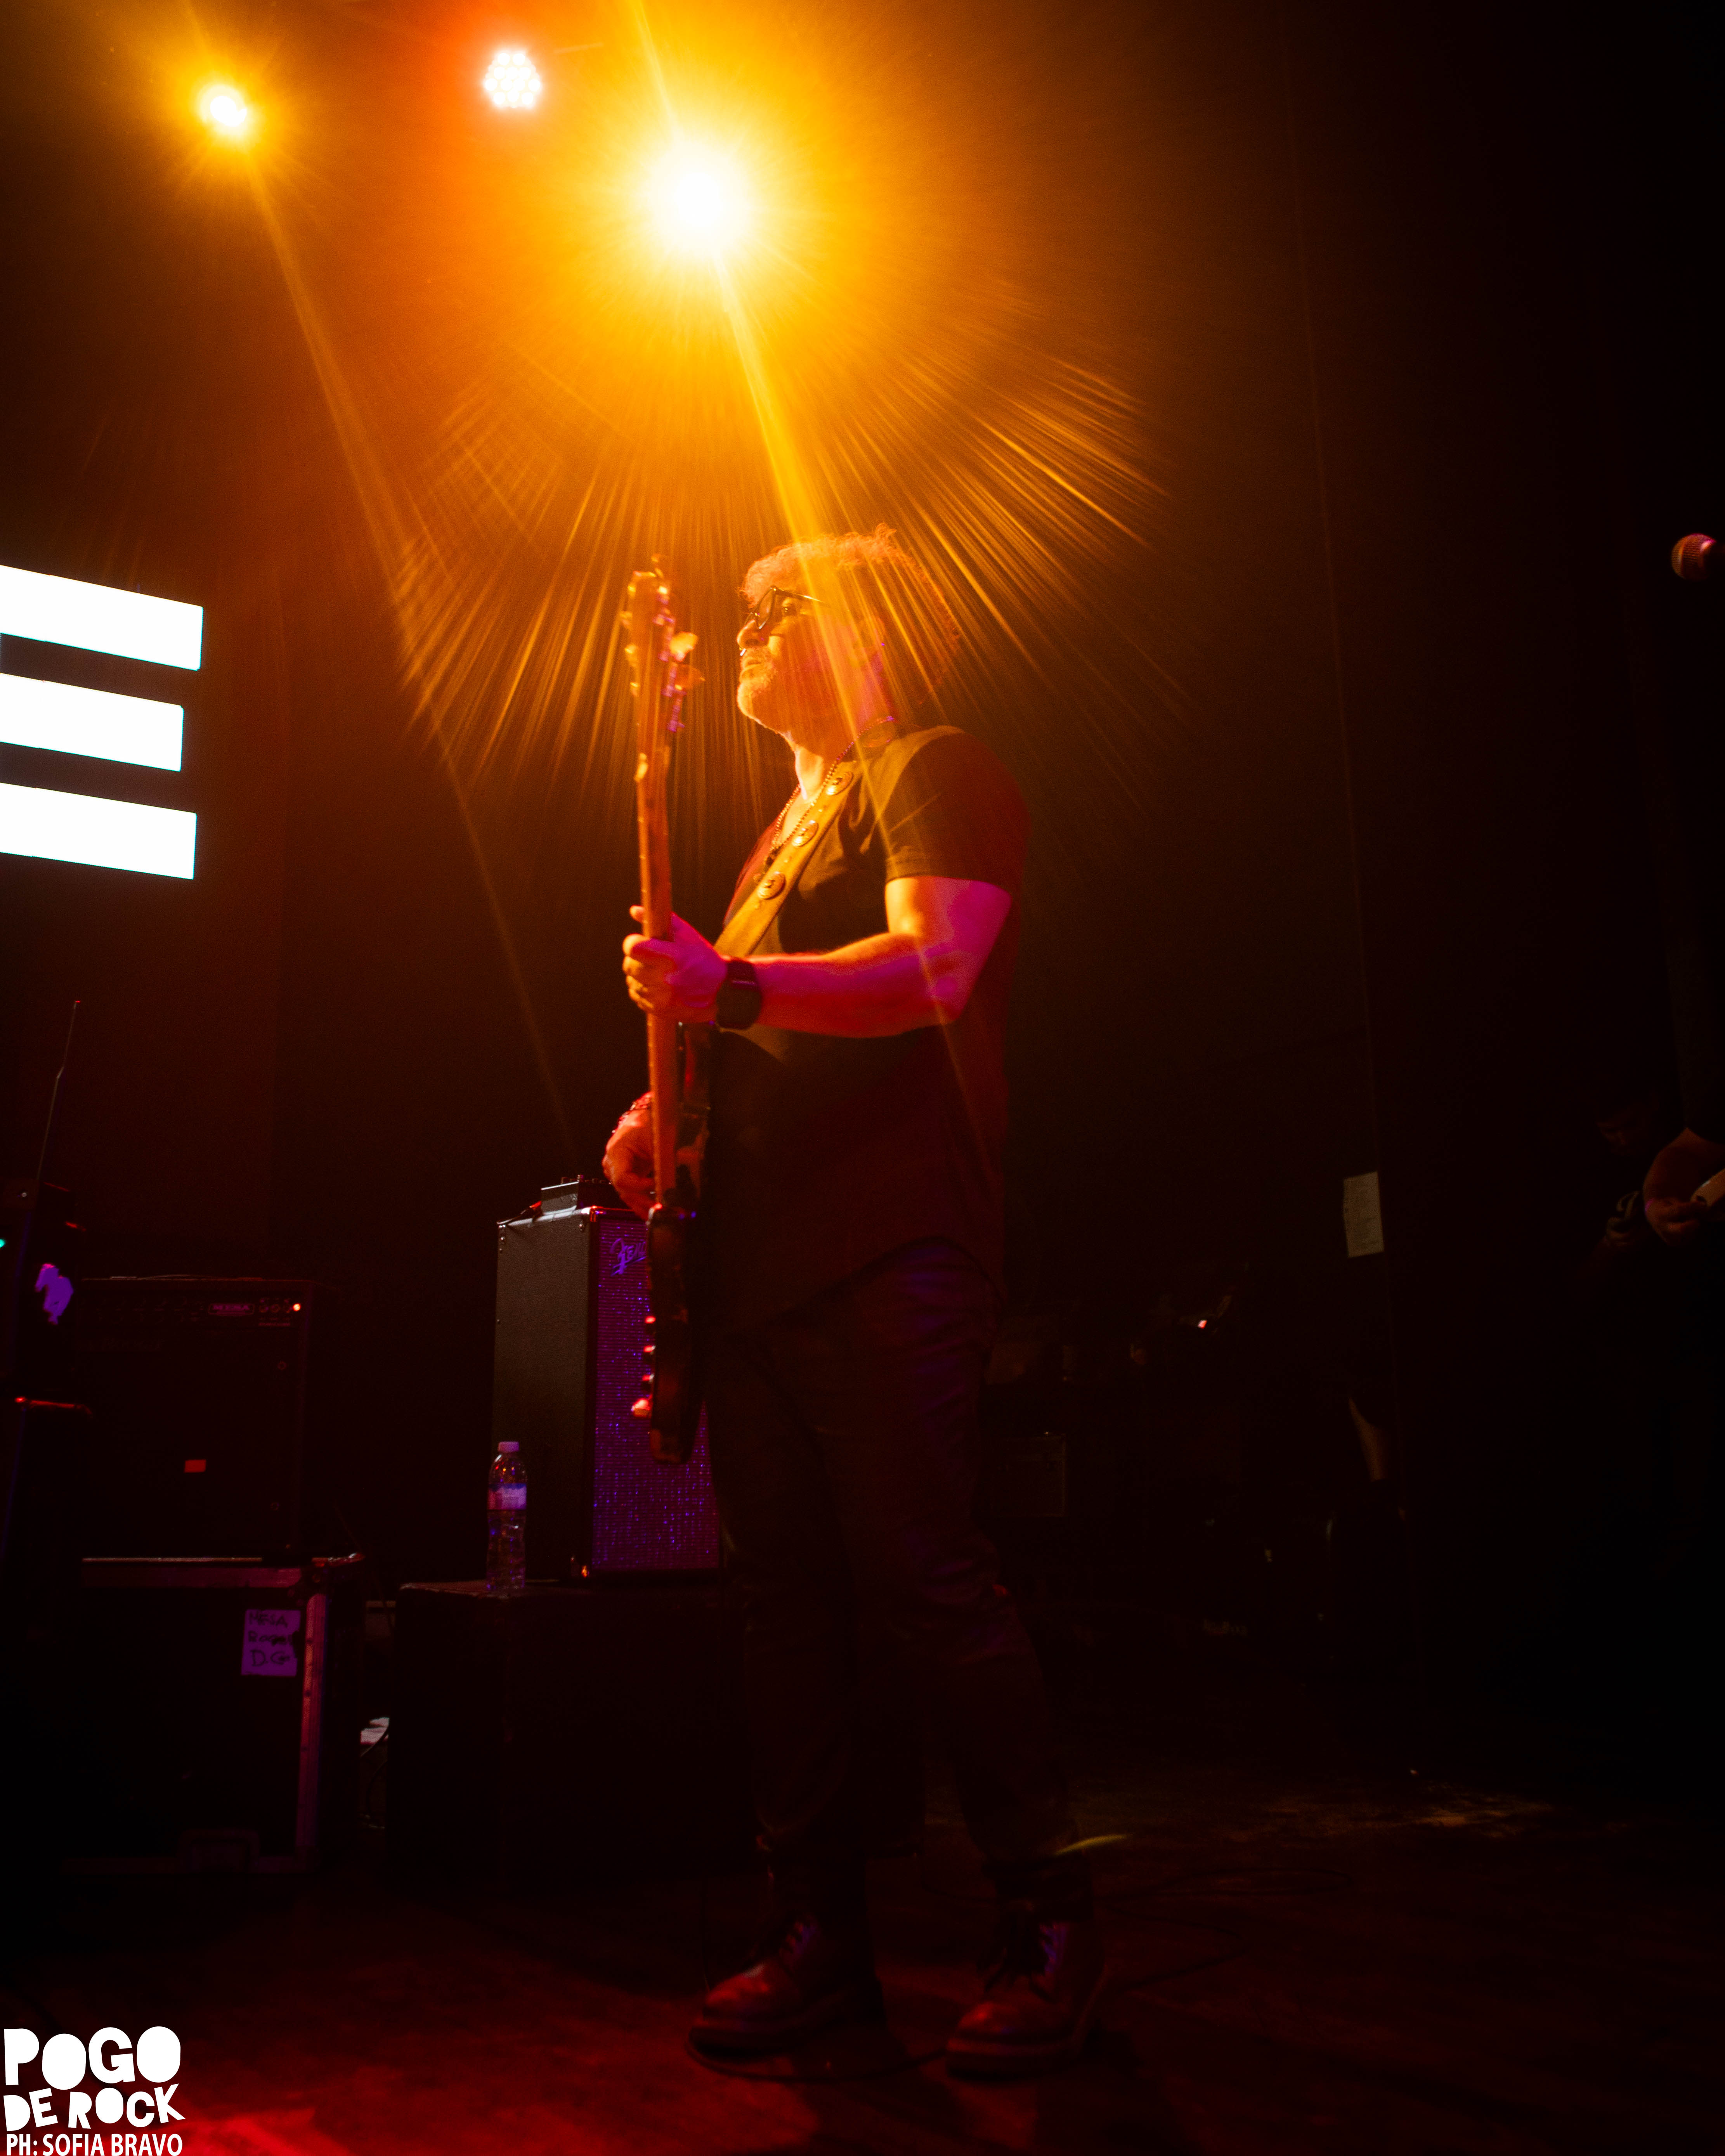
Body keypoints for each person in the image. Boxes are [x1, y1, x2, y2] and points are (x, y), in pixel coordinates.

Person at [602, 527, 1104, 2078]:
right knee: (786, 1615)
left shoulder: (932, 769)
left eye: (780, 607)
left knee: (921, 1580)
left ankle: (1048, 1925)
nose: (747, 629)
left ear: (864, 633)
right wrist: (659, 1113)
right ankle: (816, 1937)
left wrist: (728, 991)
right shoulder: (776, 833)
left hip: (889, 1251)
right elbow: (749, 1029)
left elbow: (929, 973)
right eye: (744, 613)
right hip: (760, 1267)